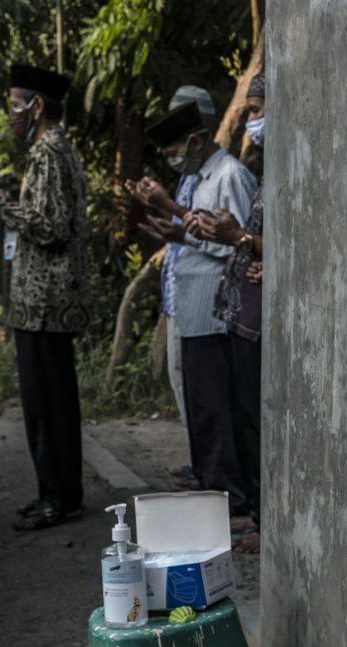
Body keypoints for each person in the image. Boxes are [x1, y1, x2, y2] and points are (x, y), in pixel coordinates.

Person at [0, 64, 91, 530]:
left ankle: (59, 498)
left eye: (16, 102)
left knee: (47, 404)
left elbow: (50, 227)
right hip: (42, 299)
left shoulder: (50, 152)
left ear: (37, 105)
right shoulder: (50, 150)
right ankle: (55, 494)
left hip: (45, 301)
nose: (11, 112)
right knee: (48, 403)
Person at [132, 91, 258, 520]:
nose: (171, 160)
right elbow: (208, 238)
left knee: (219, 414)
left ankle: (231, 500)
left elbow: (240, 248)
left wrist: (172, 209)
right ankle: (211, 492)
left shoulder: (230, 175)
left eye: (173, 151)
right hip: (193, 312)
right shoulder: (202, 178)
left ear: (196, 141)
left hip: (217, 315)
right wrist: (177, 234)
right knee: (202, 412)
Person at [187, 72, 267, 553]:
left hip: (257, 318)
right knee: (245, 419)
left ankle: (261, 515)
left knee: (254, 423)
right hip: (243, 313)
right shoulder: (267, 164)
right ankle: (259, 513)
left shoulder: (237, 174)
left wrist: (242, 241)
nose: (252, 122)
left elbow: (266, 240)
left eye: (256, 112)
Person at [125, 86, 215, 487]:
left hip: (204, 303)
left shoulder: (219, 174)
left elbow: (217, 233)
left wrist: (168, 208)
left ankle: (210, 468)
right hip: (179, 297)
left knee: (204, 394)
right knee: (182, 384)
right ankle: (200, 461)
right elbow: (189, 229)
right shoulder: (191, 177)